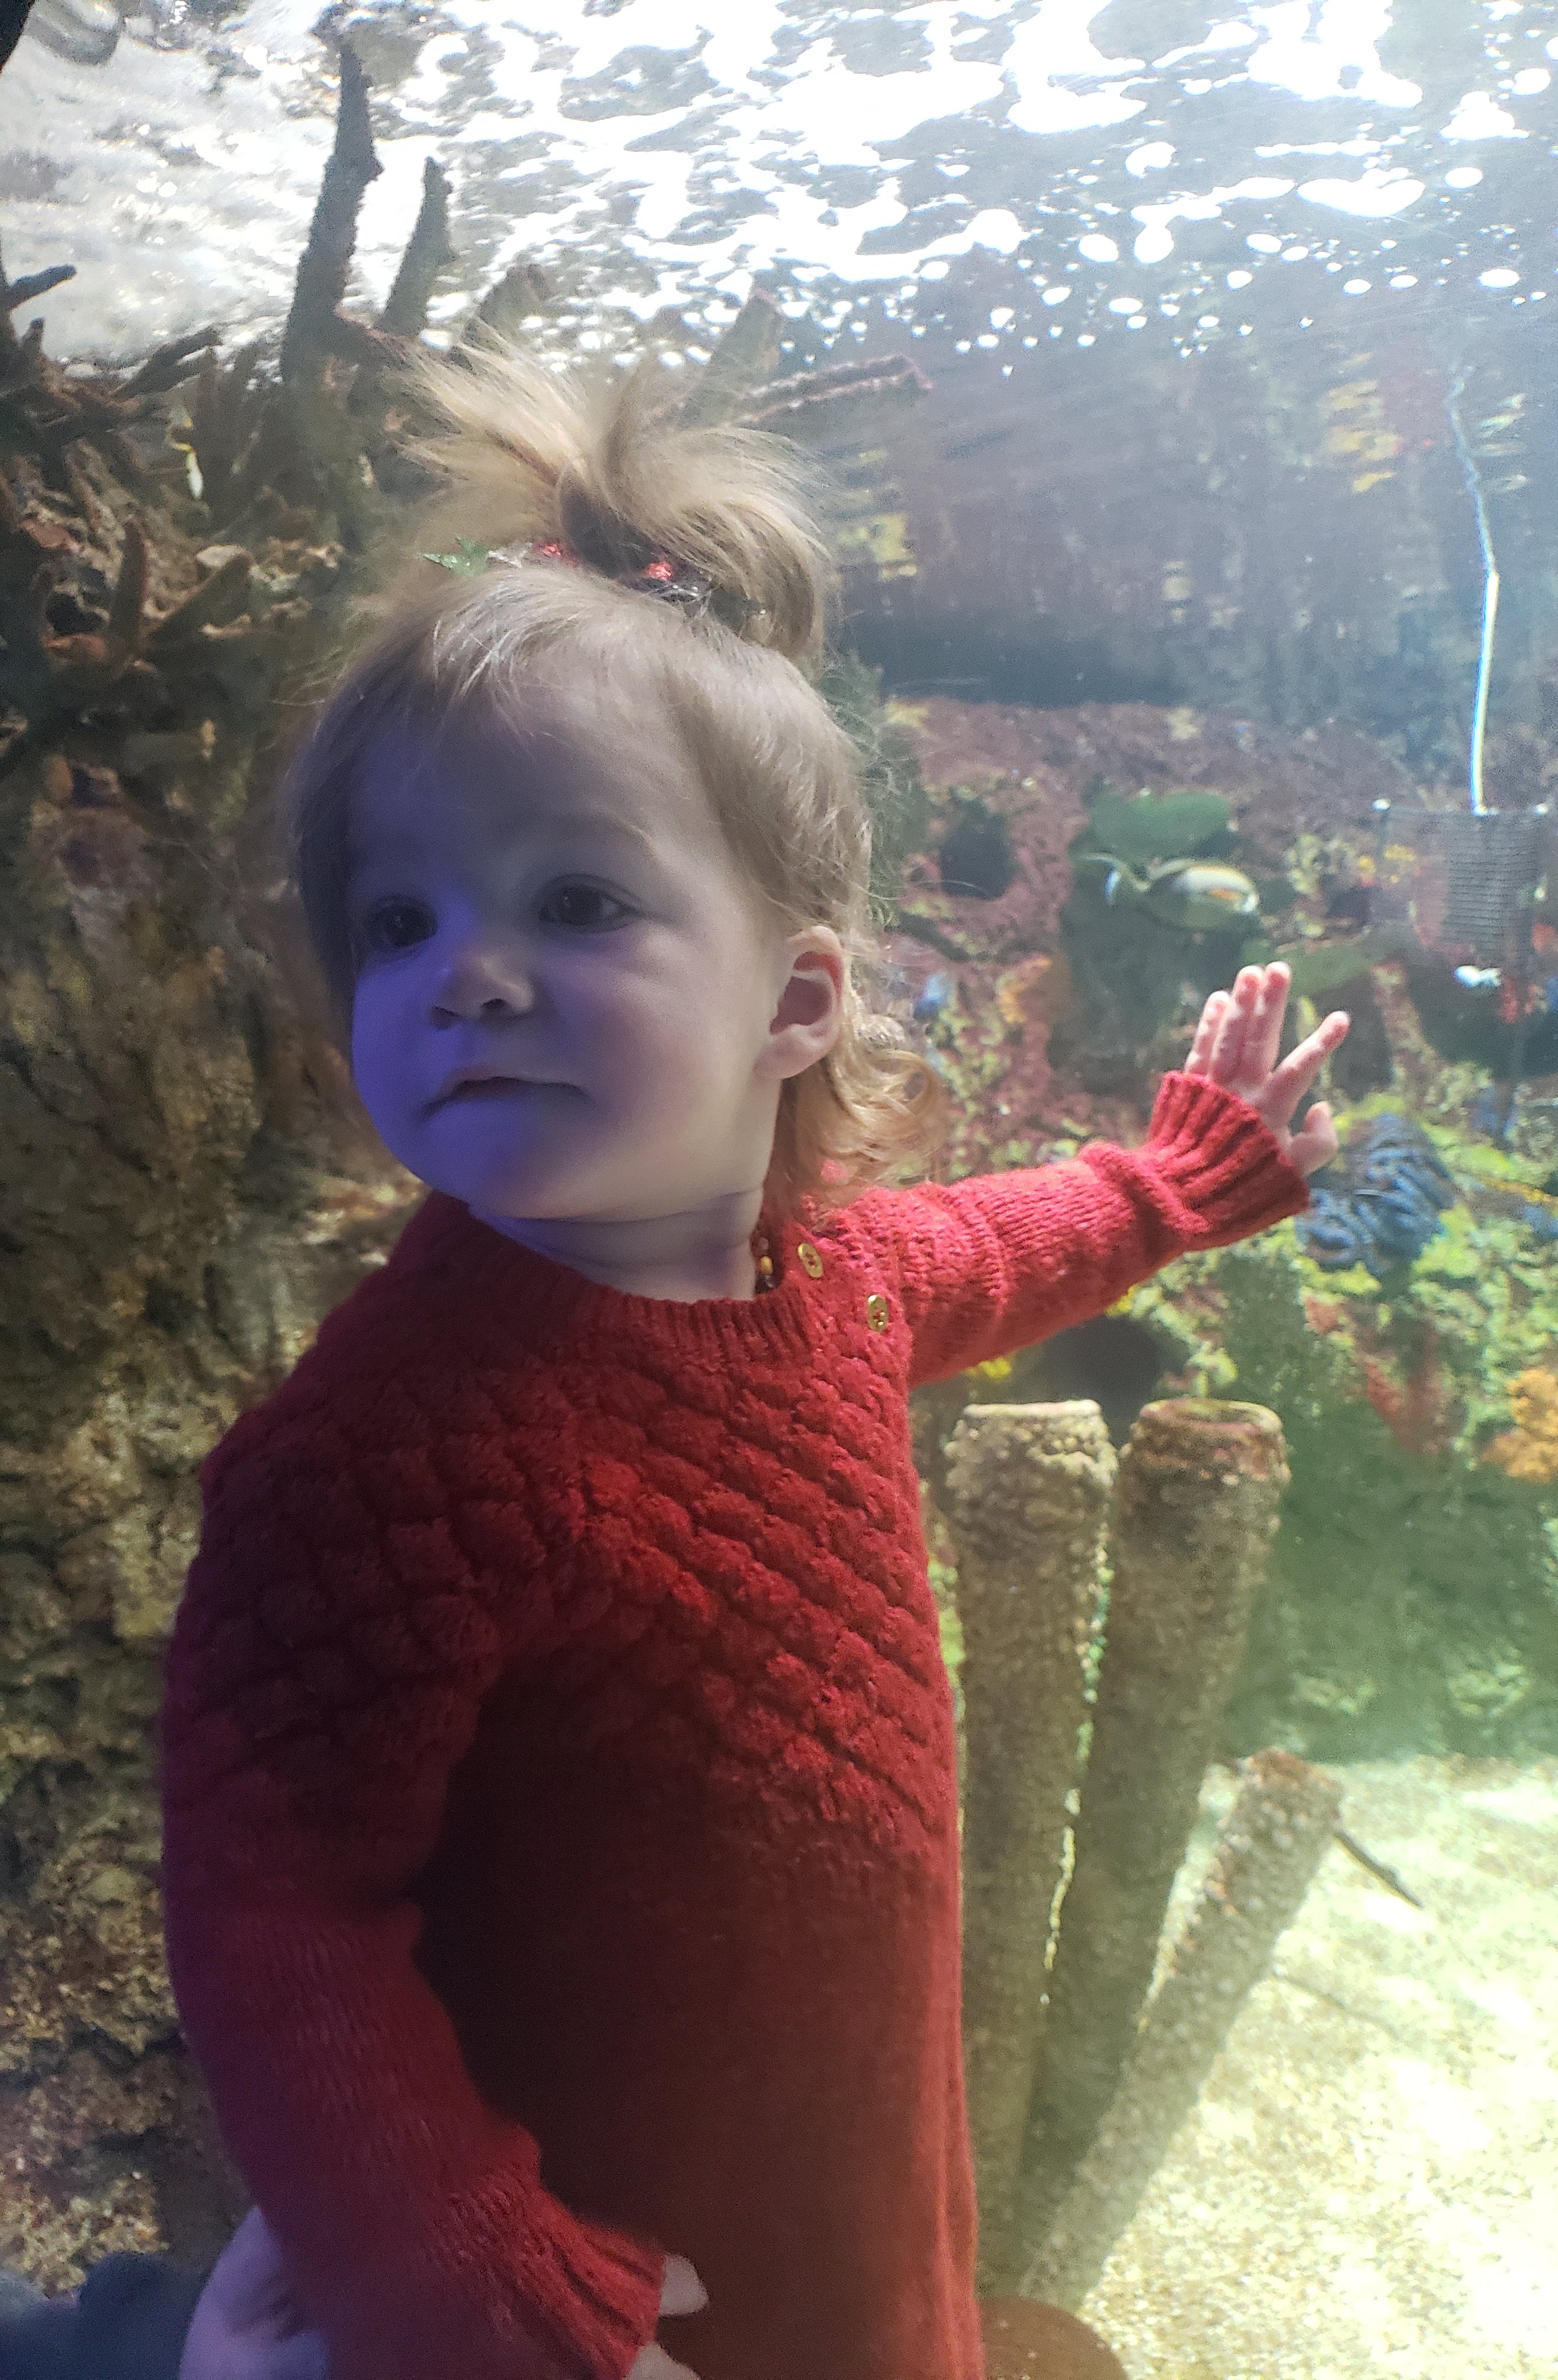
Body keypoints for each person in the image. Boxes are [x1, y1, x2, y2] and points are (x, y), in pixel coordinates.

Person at [1, 337, 1347, 2380]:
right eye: (390, 919)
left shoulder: (830, 1287)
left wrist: (1179, 1183)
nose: (462, 969)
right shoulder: (383, 1457)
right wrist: (468, 2281)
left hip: (845, 2216)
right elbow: (280, 1927)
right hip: (600, 2304)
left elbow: (985, 1247)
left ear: (797, 997)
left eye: (572, 894)